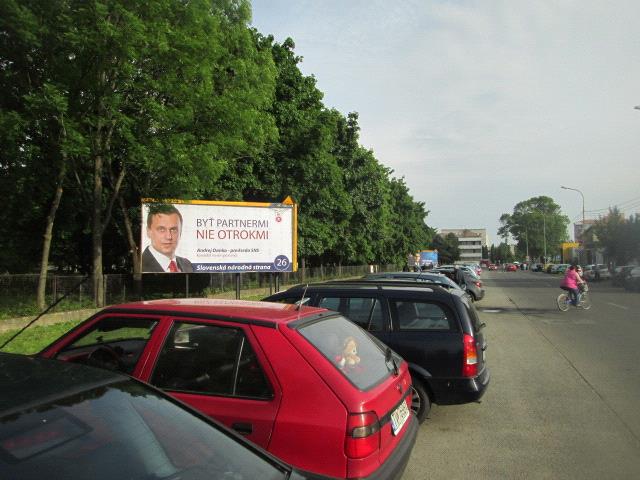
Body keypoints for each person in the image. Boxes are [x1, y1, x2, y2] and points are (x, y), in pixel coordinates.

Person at [142, 204, 193, 273]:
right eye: (161, 229)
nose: (169, 237)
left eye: (173, 230)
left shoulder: (187, 264)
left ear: (180, 233)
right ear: (148, 232)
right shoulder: (140, 265)